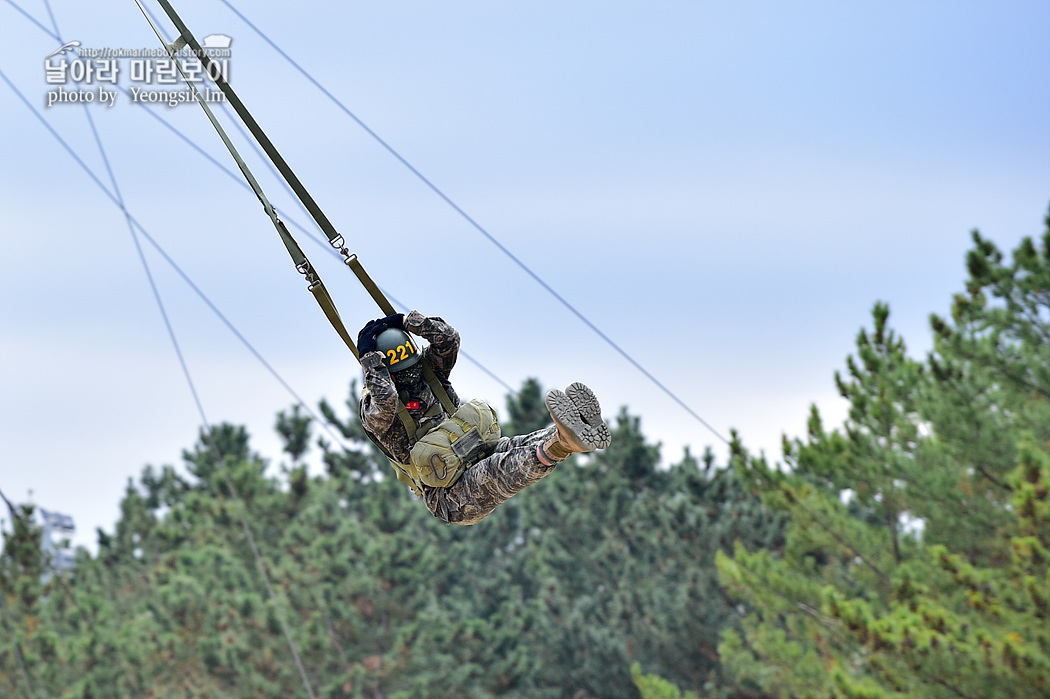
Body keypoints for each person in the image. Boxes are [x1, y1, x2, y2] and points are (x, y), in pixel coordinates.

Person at [357, 311, 612, 525]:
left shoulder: (429, 370)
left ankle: (571, 431)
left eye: (412, 365)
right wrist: (370, 358)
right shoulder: (375, 411)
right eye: (402, 372)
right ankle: (562, 444)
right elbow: (386, 398)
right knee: (498, 467)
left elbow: (448, 339)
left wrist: (405, 322)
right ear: (386, 373)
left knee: (517, 445)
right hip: (450, 495)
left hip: (478, 450)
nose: (412, 375)